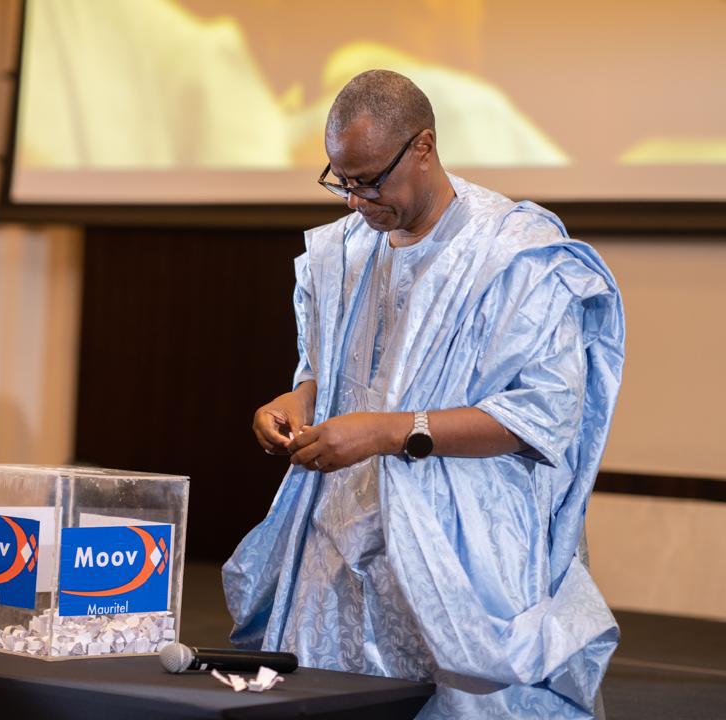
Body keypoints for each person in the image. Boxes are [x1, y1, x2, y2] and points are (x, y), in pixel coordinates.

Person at [222, 69, 625, 719]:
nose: (354, 202)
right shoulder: (342, 251)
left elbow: (545, 414)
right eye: (340, 181)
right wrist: (297, 401)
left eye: (369, 181)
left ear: (424, 147)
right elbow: (328, 369)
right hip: (340, 545)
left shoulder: (515, 255)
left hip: (464, 561)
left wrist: (387, 431)